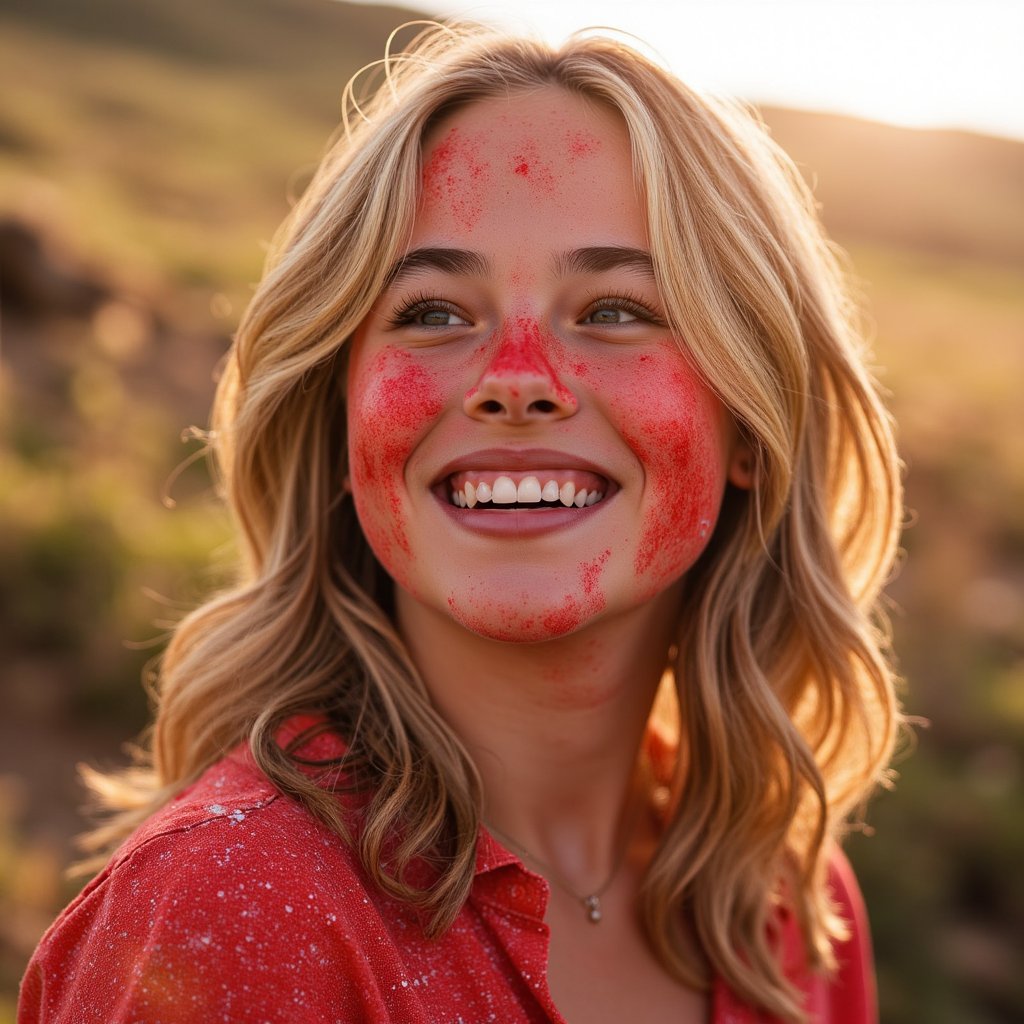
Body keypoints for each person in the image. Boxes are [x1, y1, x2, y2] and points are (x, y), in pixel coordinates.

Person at [19, 22, 903, 1024]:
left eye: (615, 310)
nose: (517, 379)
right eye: (434, 312)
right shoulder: (233, 911)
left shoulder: (787, 907)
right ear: (342, 419)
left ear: (751, 421)